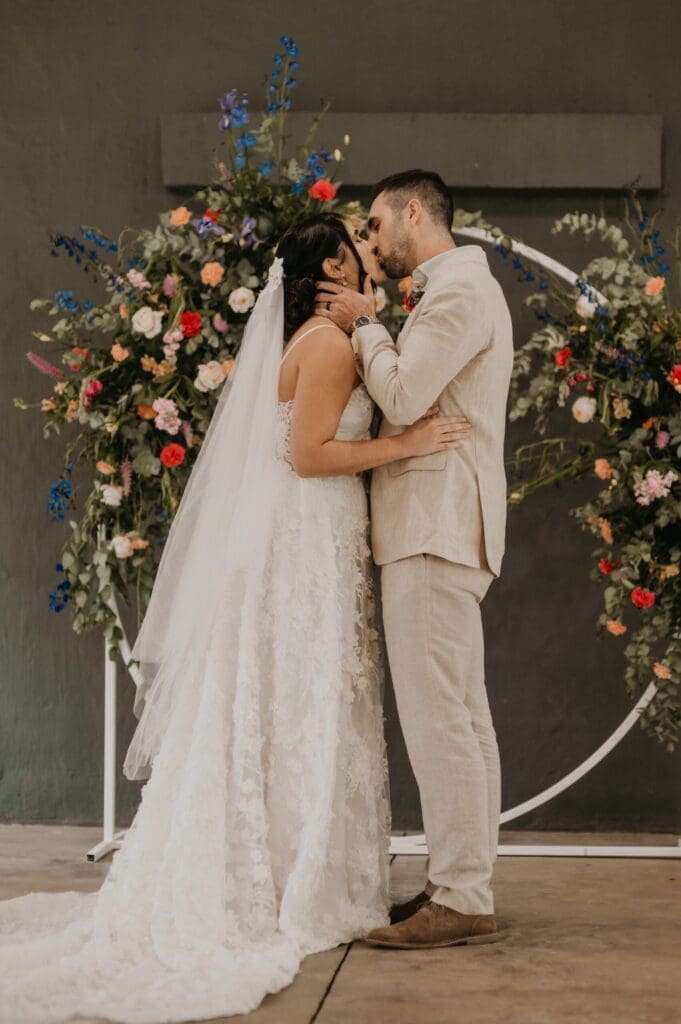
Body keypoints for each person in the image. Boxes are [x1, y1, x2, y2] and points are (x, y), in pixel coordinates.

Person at [0, 212, 471, 1022]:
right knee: (301, 701)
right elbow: (307, 454)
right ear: (333, 269)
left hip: (315, 537)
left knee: (302, 703)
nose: (370, 252)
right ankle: (293, 882)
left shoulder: (330, 337)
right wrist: (412, 443)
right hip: (304, 544)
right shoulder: (324, 345)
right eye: (358, 247)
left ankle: (309, 869)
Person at [315, 170, 514, 950]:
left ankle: (460, 895)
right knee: (462, 715)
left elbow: (400, 396)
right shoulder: (455, 289)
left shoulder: (459, 290)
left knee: (441, 721)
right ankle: (463, 884)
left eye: (374, 223)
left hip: (431, 523)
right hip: (442, 523)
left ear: (411, 212)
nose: (370, 240)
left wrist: (365, 322)